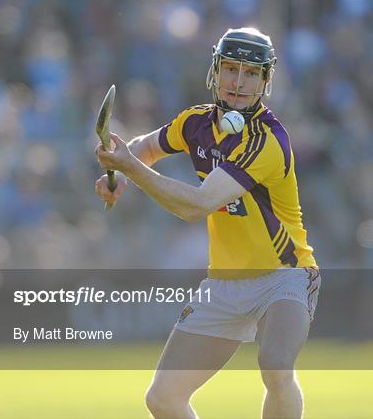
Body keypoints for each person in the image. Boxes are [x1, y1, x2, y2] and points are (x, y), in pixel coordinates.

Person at [95, 27, 321, 419]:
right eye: (231, 68)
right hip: (224, 283)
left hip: (286, 274)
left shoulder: (266, 140)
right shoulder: (195, 122)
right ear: (214, 72)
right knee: (162, 398)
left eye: (251, 73)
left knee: (276, 365)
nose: (238, 81)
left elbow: (196, 206)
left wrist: (129, 167)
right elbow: (146, 147)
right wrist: (121, 172)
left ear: (265, 80)